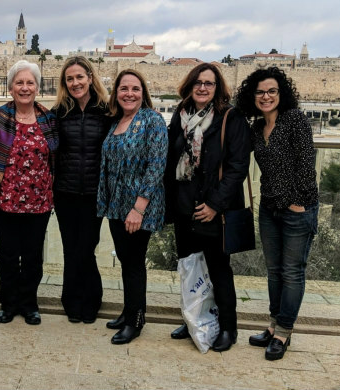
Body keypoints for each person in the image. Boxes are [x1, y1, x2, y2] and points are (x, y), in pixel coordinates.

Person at [165, 63, 251, 352]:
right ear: (190, 86)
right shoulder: (180, 116)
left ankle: (228, 327)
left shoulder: (231, 118)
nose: (202, 88)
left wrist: (215, 204)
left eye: (209, 83)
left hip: (214, 209)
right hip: (184, 209)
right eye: (198, 82)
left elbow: (238, 167)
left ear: (218, 88)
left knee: (218, 269)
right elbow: (170, 159)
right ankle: (194, 320)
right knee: (190, 269)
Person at [235, 66, 318, 361]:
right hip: (268, 208)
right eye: (260, 92)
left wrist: (298, 202)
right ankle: (272, 326)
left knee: (292, 273)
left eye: (272, 91)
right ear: (252, 96)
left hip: (297, 209)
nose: (266, 96)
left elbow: (307, 166)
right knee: (274, 272)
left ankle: (284, 332)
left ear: (281, 93)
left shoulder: (294, 119)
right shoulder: (257, 128)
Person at [98, 69, 167, 344]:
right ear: (116, 93)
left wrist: (138, 208)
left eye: (135, 89)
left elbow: (156, 165)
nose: (129, 93)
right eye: (124, 88)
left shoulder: (153, 120)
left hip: (139, 206)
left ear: (143, 93)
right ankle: (128, 312)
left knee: (135, 263)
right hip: (116, 205)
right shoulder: (117, 121)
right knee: (127, 261)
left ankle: (136, 321)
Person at [0, 60, 58, 325]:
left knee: (32, 257)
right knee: (6, 256)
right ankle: (8, 304)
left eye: (30, 83)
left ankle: (29, 304)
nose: (25, 88)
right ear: (11, 88)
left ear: (37, 87)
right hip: (5, 199)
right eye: (19, 83)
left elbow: (56, 157)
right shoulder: (0, 117)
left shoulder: (48, 119)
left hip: (38, 201)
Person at [51, 56, 111, 324]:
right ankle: (71, 299)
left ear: (90, 77)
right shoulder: (59, 113)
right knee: (70, 247)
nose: (75, 83)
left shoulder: (107, 111)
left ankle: (91, 298)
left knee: (86, 247)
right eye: (69, 79)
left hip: (94, 192)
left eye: (79, 77)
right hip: (65, 191)